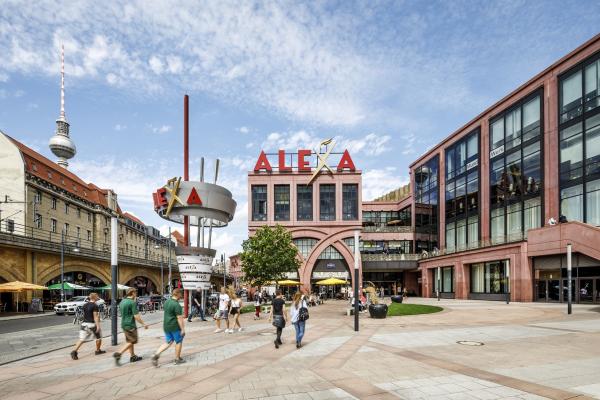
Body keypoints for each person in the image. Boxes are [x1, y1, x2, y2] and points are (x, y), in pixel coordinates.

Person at [113, 288, 148, 365]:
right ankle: (118, 353)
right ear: (132, 293)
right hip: (130, 325)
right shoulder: (132, 302)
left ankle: (133, 356)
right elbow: (136, 316)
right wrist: (143, 324)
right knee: (132, 341)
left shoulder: (122, 301)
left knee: (129, 341)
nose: (136, 294)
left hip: (124, 324)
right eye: (135, 292)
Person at [152, 289, 186, 366]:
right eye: (181, 294)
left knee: (169, 341)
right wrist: (183, 329)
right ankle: (177, 359)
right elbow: (179, 318)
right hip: (174, 326)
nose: (182, 295)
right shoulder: (176, 305)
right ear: (177, 294)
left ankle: (156, 354)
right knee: (178, 341)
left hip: (166, 325)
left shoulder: (167, 302)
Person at [70, 292, 105, 360]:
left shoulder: (85, 305)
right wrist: (98, 326)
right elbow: (95, 317)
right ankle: (98, 351)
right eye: (97, 296)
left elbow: (84, 315)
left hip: (84, 324)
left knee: (82, 339)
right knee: (98, 338)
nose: (98, 297)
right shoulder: (95, 306)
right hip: (92, 325)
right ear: (94, 297)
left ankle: (74, 351)